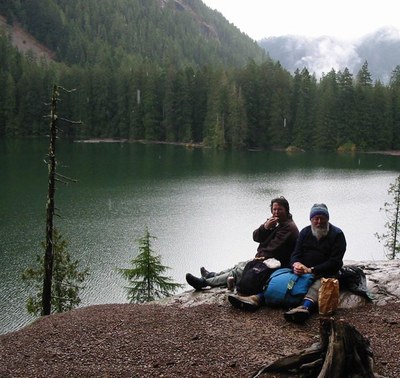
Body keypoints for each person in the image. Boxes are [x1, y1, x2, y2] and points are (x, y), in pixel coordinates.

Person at [228, 203, 347, 324]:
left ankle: (304, 307)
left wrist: (311, 270)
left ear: (328, 219)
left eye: (322, 218)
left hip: (324, 271)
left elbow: (335, 262)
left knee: (319, 284)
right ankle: (256, 298)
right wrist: (295, 265)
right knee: (279, 279)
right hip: (302, 270)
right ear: (311, 219)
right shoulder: (305, 232)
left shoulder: (337, 235)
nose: (319, 222)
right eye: (316, 218)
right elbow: (295, 253)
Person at [185, 196, 299, 290]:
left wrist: (257, 258)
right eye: (274, 209)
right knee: (239, 265)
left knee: (239, 271)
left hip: (277, 263)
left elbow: (273, 249)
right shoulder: (275, 222)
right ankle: (212, 275)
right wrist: (265, 227)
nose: (276, 212)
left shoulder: (288, 227)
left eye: (280, 209)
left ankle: (204, 282)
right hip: (268, 258)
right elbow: (256, 237)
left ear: (286, 210)